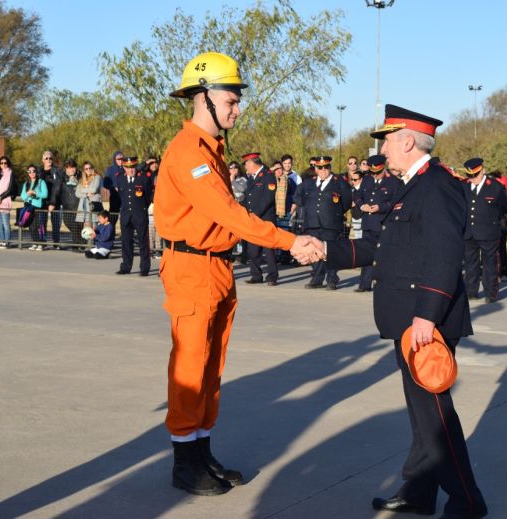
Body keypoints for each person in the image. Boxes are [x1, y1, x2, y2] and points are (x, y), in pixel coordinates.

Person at [155, 51, 319, 496]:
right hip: (192, 266)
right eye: (231, 99)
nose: (237, 108)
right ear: (204, 98)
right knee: (190, 365)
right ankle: (184, 462)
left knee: (212, 364)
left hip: (215, 265)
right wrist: (290, 241)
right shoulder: (190, 152)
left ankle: (202, 451)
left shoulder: (212, 150)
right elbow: (228, 213)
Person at [316, 104, 487, 519]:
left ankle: (467, 500)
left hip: (424, 322)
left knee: (435, 417)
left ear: (407, 141)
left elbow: (445, 256)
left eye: (387, 141)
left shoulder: (437, 186)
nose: (383, 150)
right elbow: (383, 246)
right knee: (421, 415)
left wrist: (427, 315)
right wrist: (327, 250)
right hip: (407, 318)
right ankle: (419, 493)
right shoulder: (410, 186)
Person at [293, 155, 353, 290]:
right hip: (312, 223)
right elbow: (298, 197)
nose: (323, 170)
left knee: (331, 252)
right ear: (315, 168)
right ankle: (317, 278)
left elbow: (347, 201)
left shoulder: (339, 182)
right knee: (314, 252)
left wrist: (335, 213)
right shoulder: (309, 183)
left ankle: (332, 279)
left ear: (330, 168)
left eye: (326, 167)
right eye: (320, 167)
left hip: (331, 224)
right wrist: (309, 208)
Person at [462, 157, 507, 303]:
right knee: (471, 264)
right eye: (469, 176)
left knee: (490, 265)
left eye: (475, 175)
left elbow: (503, 208)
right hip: (469, 232)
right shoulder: (463, 186)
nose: (472, 178)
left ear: (483, 171)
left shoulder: (495, 187)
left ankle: (491, 293)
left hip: (489, 232)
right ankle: (471, 291)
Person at [353, 154, 402, 292]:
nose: (375, 175)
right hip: (368, 223)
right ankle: (364, 283)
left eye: (378, 173)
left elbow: (396, 202)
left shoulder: (393, 182)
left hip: (383, 223)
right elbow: (357, 195)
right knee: (366, 254)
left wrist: (381, 207)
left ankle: (382, 283)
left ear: (383, 168)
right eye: (373, 173)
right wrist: (362, 205)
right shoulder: (367, 179)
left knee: (383, 255)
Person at [242, 151, 279, 285]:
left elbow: (267, 199)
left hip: (265, 218)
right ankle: (256, 275)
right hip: (253, 218)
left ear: (252, 163)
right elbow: (248, 198)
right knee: (253, 249)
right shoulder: (251, 178)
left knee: (269, 249)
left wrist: (255, 214)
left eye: (246, 164)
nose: (245, 167)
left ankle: (272, 276)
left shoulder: (268, 176)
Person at [115, 156, 152, 276]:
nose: (131, 170)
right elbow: (121, 196)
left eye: (133, 167)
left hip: (140, 215)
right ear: (124, 168)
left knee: (143, 243)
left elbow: (147, 198)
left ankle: (144, 268)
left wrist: (140, 209)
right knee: (126, 242)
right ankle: (126, 266)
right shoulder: (120, 179)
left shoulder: (143, 179)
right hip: (126, 215)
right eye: (128, 167)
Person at [38, 150, 64, 249]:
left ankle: (56, 243)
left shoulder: (57, 171)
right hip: (42, 202)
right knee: (41, 223)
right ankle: (42, 242)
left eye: (50, 158)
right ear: (42, 160)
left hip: (55, 201)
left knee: (56, 223)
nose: (49, 160)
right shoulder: (39, 171)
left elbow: (57, 187)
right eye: (46, 158)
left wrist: (53, 202)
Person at [21, 165, 48, 250]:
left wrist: (35, 193)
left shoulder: (41, 182)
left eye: (34, 171)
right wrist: (28, 194)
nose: (32, 173)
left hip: (38, 207)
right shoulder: (26, 183)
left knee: (40, 225)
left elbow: (45, 194)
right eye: (30, 171)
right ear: (28, 173)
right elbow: (23, 197)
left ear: (36, 172)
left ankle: (41, 243)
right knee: (31, 225)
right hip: (29, 207)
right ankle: (34, 242)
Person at [76, 161, 102, 232]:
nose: (88, 170)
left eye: (90, 168)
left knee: (93, 231)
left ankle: (94, 243)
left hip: (93, 208)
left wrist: (82, 190)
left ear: (93, 168)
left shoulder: (97, 177)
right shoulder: (82, 180)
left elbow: (94, 189)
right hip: (84, 209)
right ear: (84, 170)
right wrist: (86, 194)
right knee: (86, 232)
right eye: (86, 169)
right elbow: (77, 193)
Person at [103, 150, 124, 228]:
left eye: (122, 159)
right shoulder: (110, 169)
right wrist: (113, 187)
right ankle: (110, 233)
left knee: (125, 217)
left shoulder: (127, 168)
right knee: (113, 216)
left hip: (125, 196)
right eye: (118, 159)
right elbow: (105, 183)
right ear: (114, 159)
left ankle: (126, 236)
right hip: (115, 196)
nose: (121, 160)